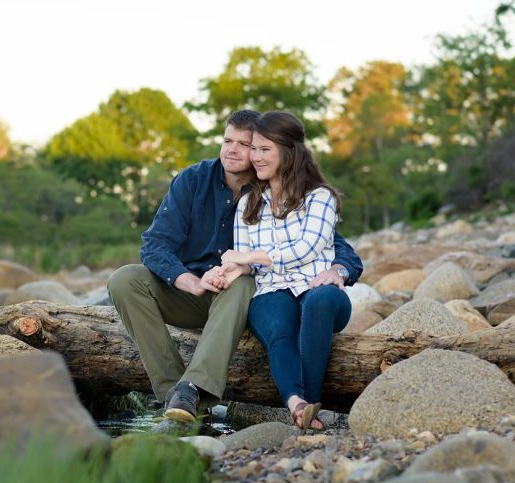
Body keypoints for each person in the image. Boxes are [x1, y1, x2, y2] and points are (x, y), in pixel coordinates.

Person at [108, 109, 362, 425]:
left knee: (241, 282)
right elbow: (155, 244)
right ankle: (174, 395)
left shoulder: (273, 186)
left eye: (246, 144)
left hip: (239, 295)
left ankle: (196, 387)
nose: (233, 150)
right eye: (228, 140)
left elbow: (332, 244)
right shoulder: (193, 180)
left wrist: (338, 270)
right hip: (196, 291)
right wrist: (191, 281)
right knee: (124, 279)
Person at [219, 110, 353, 430]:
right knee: (278, 328)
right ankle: (298, 404)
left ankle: (311, 398)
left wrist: (249, 256)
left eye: (265, 149)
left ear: (288, 152)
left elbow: (306, 248)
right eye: (255, 149)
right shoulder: (248, 202)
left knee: (319, 301)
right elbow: (247, 265)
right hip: (270, 289)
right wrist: (229, 271)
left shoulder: (320, 198)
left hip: (319, 289)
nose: (256, 157)